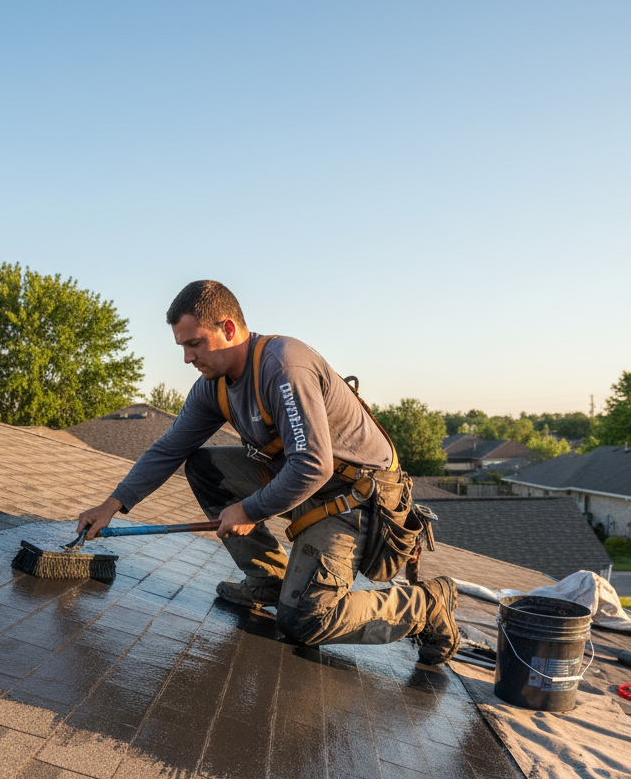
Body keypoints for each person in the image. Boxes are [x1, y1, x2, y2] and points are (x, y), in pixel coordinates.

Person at [76, 280, 459, 662]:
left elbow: (314, 464)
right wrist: (112, 504)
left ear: (228, 329)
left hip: (355, 497)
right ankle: (269, 580)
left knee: (306, 621)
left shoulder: (284, 366)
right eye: (182, 346)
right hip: (300, 479)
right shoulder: (214, 387)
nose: (188, 358)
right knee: (204, 466)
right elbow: (168, 450)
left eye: (194, 344)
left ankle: (426, 604)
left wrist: (248, 510)